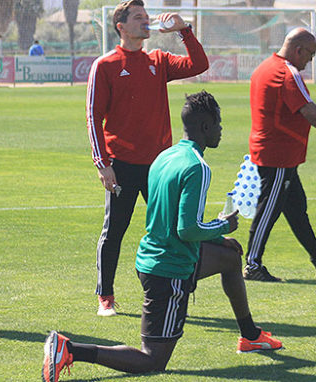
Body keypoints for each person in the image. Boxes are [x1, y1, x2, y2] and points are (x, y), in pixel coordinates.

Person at [43, 91, 282, 382]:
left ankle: (250, 336)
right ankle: (69, 349)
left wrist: (220, 240)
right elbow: (187, 229)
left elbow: (174, 222)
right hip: (169, 269)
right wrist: (223, 226)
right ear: (206, 127)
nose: (221, 130)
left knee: (231, 256)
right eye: (218, 124)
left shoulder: (166, 156)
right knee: (152, 360)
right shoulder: (198, 167)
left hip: (157, 254)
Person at [86, 0, 208, 316]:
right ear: (121, 26)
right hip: (123, 165)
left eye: (146, 16)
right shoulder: (105, 65)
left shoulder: (159, 60)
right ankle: (106, 297)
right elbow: (93, 117)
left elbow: (199, 65)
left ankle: (176, 289)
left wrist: (185, 30)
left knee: (173, 230)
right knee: (115, 231)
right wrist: (104, 165)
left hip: (160, 167)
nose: (146, 21)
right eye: (138, 17)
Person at [243, 28, 316, 282]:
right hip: (277, 155)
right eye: (310, 55)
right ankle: (252, 264)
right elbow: (307, 108)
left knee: (296, 208)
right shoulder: (287, 73)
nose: (310, 61)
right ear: (298, 50)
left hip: (276, 152)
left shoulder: (265, 67)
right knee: (269, 209)